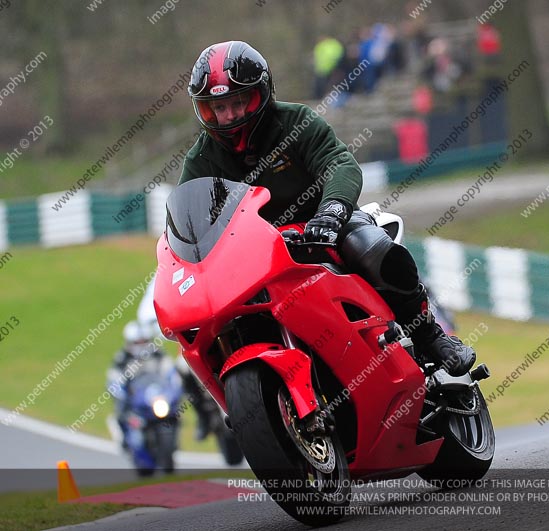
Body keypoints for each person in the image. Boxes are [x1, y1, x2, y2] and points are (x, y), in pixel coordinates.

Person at [179, 40, 475, 376]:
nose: (228, 115)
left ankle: (430, 337)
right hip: (253, 258)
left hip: (323, 228)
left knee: (374, 249)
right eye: (218, 107)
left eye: (237, 102)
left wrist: (332, 210)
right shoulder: (202, 159)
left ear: (259, 96)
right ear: (204, 109)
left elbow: (339, 163)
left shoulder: (296, 121)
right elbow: (187, 218)